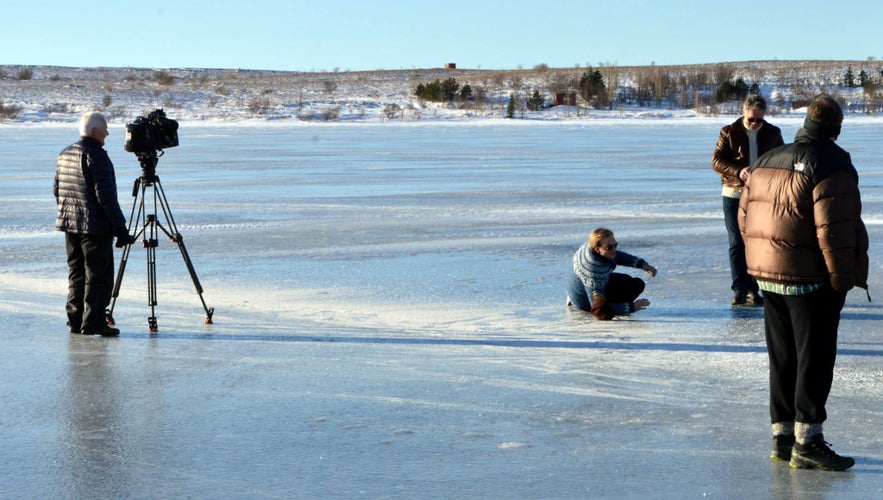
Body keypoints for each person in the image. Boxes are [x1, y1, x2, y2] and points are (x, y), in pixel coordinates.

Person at [739, 94, 868, 471]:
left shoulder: (768, 158)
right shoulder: (831, 162)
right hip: (810, 280)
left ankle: (781, 438)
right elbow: (835, 230)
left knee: (783, 358)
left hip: (768, 277)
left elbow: (745, 217)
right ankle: (807, 441)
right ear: (835, 128)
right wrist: (842, 280)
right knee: (814, 358)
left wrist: (758, 264)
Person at [54, 111, 133, 337]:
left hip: (69, 225)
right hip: (95, 228)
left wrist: (69, 213)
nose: (107, 133)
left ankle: (76, 319)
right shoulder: (96, 156)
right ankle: (94, 322)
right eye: (105, 129)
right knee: (98, 276)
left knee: (77, 273)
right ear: (95, 131)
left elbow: (57, 190)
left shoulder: (64, 154)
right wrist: (120, 228)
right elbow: (105, 197)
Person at [712, 94, 784, 306]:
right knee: (736, 242)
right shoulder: (729, 132)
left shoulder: (773, 133)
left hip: (760, 196)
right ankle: (739, 289)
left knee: (755, 242)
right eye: (751, 119)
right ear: (744, 112)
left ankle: (753, 289)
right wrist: (739, 170)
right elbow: (716, 161)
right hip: (733, 193)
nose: (754, 124)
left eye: (759, 120)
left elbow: (782, 159)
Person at [565, 228, 657, 320]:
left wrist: (643, 265)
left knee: (627, 280)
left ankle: (577, 292)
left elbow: (618, 256)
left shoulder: (590, 248)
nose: (614, 249)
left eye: (615, 245)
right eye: (609, 247)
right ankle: (579, 299)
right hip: (585, 302)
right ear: (597, 249)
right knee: (635, 286)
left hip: (578, 287)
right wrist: (630, 307)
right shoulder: (593, 276)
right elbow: (600, 311)